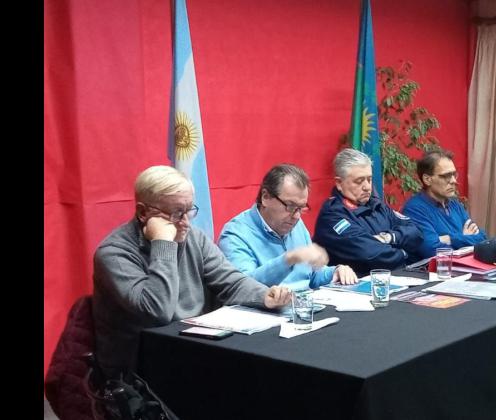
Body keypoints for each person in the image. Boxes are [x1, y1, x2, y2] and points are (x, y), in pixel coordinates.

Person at [92, 165, 292, 377]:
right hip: (139, 365)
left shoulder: (193, 237)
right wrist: (163, 243)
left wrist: (263, 295)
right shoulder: (113, 253)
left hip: (192, 347)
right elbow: (158, 311)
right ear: (143, 213)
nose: (186, 222)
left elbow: (230, 280)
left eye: (189, 210)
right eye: (177, 213)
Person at [218, 164, 358, 290]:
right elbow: (245, 289)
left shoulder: (295, 223)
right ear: (265, 197)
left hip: (305, 308)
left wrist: (335, 272)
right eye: (290, 206)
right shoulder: (235, 234)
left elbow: (311, 276)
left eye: (301, 208)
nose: (296, 216)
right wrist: (288, 259)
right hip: (267, 313)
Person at [314, 148, 423, 276]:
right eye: (359, 181)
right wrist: (404, 253)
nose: (367, 187)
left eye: (369, 180)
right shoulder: (333, 215)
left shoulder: (377, 204)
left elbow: (417, 232)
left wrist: (388, 237)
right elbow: (370, 254)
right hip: (356, 287)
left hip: (394, 279)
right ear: (339, 183)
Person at [401, 149, 486, 259]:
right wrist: (464, 238)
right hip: (430, 274)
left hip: (461, 270)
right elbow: (432, 250)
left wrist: (449, 239)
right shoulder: (414, 210)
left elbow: (482, 237)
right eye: (446, 176)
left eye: (454, 174)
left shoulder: (455, 205)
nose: (454, 181)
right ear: (427, 179)